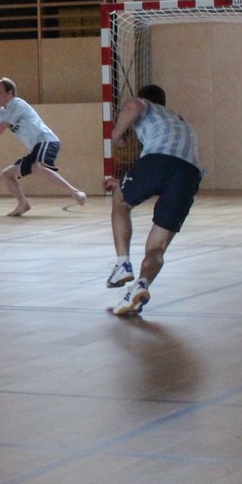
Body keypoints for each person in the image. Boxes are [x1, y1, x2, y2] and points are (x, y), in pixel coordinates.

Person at [104, 84, 204, 317]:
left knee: (121, 202)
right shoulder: (182, 122)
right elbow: (167, 176)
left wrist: (116, 134)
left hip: (158, 160)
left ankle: (122, 264)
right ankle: (141, 285)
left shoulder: (147, 106)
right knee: (157, 248)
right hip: (189, 174)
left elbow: (134, 105)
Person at [0, 77, 89, 216]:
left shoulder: (17, 104)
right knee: (6, 175)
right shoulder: (1, 114)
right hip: (35, 149)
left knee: (37, 166)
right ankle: (23, 203)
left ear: (10, 93)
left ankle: (75, 192)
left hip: (47, 141)